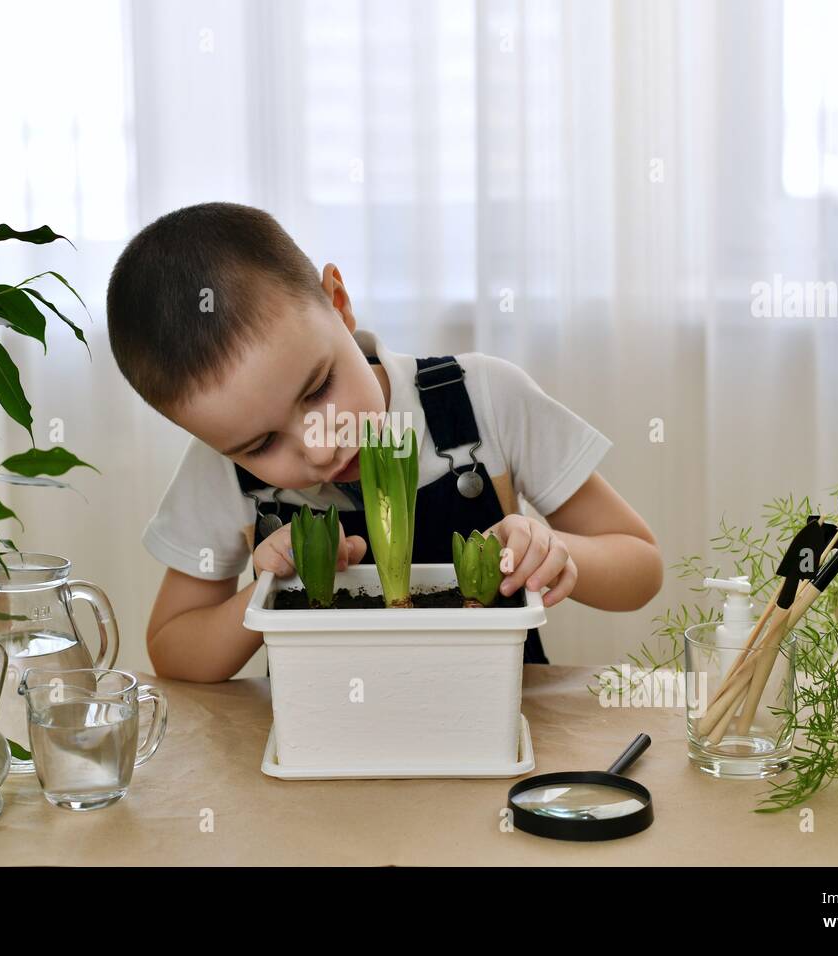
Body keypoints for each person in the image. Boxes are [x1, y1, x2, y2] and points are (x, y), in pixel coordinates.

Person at [106, 202, 663, 682]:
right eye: (261, 445)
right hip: (324, 747)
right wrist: (267, 588)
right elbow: (173, 648)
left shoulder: (484, 398)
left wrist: (551, 548)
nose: (320, 448)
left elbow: (641, 566)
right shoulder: (217, 470)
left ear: (338, 303)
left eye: (318, 388)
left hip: (492, 730)